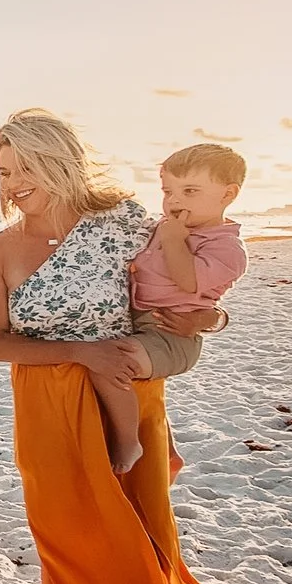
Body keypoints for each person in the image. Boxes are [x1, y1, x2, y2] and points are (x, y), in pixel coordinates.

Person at [0, 108, 257, 584]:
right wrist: (82, 352)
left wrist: (210, 316)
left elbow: (188, 287)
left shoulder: (124, 220)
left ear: (59, 160)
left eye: (24, 168)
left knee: (143, 543)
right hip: (46, 406)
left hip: (128, 403)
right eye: (4, 171)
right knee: (65, 549)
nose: (12, 183)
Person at [93, 143, 250, 472]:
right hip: (137, 325)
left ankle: (128, 441)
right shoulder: (162, 228)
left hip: (172, 336)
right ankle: (163, 447)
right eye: (168, 191)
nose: (175, 201)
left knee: (107, 364)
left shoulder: (226, 246)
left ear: (228, 194)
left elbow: (187, 281)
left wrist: (174, 239)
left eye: (190, 191)